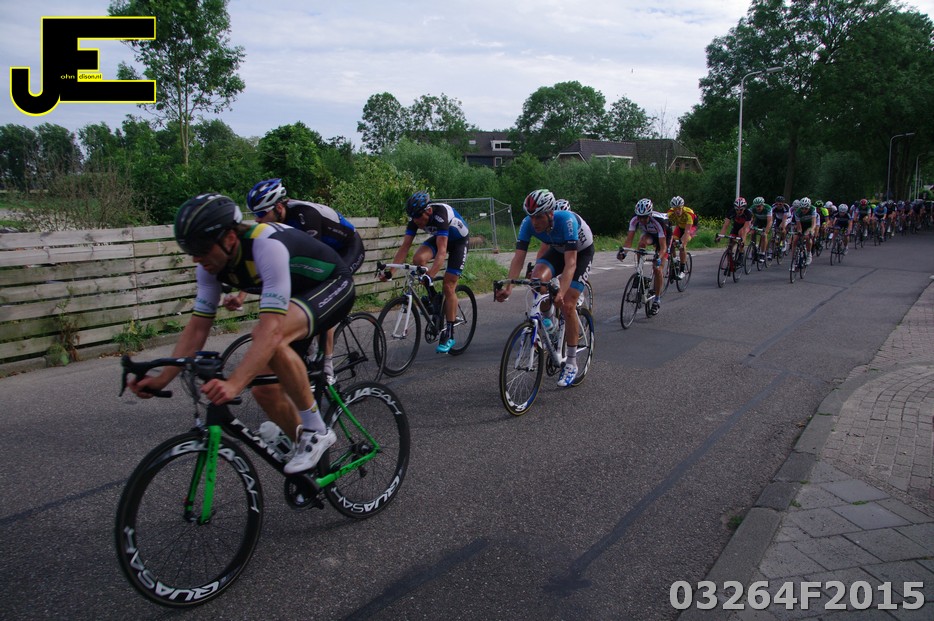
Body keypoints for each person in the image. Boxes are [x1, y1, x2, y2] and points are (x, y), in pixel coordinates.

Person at [128, 193, 355, 475]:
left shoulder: (267, 246)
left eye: (201, 249)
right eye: (190, 251)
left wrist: (234, 384)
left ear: (230, 238)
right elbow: (198, 327)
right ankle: (310, 470)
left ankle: (316, 431)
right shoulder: (209, 266)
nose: (196, 258)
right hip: (296, 295)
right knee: (264, 390)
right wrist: (161, 379)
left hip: (332, 283)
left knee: (269, 336)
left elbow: (271, 331)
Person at [235, 178, 366, 380]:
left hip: (347, 249)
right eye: (255, 215)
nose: (257, 220)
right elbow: (261, 264)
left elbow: (314, 260)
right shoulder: (274, 225)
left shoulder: (306, 216)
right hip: (325, 253)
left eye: (261, 214)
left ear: (279, 207)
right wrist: (242, 294)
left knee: (322, 300)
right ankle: (308, 347)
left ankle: (327, 367)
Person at [494, 189, 595, 387]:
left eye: (539, 217)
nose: (535, 222)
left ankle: (571, 363)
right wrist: (508, 287)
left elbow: (571, 264)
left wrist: (562, 293)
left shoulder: (566, 221)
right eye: (531, 216)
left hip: (580, 253)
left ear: (550, 213)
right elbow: (518, 258)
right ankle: (551, 326)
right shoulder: (527, 224)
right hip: (557, 251)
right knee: (536, 281)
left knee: (567, 305)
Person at [380, 191, 469, 354]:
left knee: (448, 285)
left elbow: (442, 252)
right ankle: (434, 298)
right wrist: (390, 272)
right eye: (413, 218)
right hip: (441, 239)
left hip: (458, 242)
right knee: (418, 259)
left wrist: (430, 275)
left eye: (418, 217)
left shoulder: (440, 215)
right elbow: (405, 247)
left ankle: (449, 335)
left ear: (428, 211)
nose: (416, 221)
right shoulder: (415, 219)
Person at [617, 198, 668, 316]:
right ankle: (640, 273)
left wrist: (658, 257)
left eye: (644, 217)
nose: (642, 220)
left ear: (650, 215)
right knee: (641, 243)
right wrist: (624, 253)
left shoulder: (658, 221)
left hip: (664, 237)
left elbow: (663, 247)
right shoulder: (634, 220)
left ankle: (657, 300)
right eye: (639, 217)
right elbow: (629, 241)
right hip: (650, 234)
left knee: (658, 268)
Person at [666, 196, 697, 278]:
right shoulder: (670, 213)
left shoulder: (689, 213)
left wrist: (680, 241)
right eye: (675, 209)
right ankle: (675, 261)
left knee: (682, 245)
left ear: (682, 207)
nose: (677, 211)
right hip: (680, 227)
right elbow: (665, 226)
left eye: (679, 208)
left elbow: (687, 231)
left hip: (690, 228)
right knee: (671, 242)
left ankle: (682, 270)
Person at [789, 197, 818, 264]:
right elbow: (799, 226)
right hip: (801, 224)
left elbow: (814, 223)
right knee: (795, 239)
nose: (804, 210)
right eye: (802, 208)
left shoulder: (813, 209)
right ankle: (793, 258)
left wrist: (811, 230)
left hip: (810, 225)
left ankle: (808, 254)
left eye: (806, 208)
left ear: (809, 207)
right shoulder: (798, 212)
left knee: (807, 237)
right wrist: (799, 232)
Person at [749, 196, 773, 262]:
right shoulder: (752, 208)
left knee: (764, 235)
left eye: (759, 206)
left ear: (763, 205)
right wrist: (749, 226)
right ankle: (754, 248)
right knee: (752, 232)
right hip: (758, 220)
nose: (758, 208)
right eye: (756, 206)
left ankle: (762, 253)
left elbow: (769, 221)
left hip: (766, 222)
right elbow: (749, 218)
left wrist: (766, 231)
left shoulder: (768, 208)